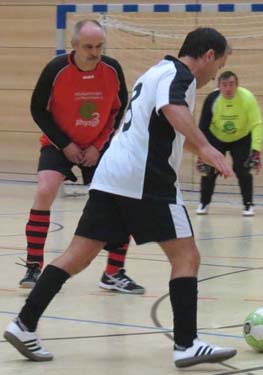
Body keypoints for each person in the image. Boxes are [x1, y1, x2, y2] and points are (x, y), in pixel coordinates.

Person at [3, 27, 237, 368]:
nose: (215, 74)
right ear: (209, 56)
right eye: (218, 65)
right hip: (146, 178)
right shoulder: (180, 75)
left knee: (76, 256)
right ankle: (187, 344)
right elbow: (173, 108)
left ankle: (23, 324)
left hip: (111, 174)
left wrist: (194, 148)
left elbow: (160, 124)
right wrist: (204, 145)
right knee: (187, 256)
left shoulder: (156, 71)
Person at [20, 20, 145, 295]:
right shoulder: (56, 69)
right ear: (74, 46)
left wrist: (98, 146)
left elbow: (118, 109)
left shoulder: (112, 69)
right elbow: (38, 110)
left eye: (99, 46)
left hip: (97, 146)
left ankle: (113, 273)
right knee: (45, 190)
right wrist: (65, 145)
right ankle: (33, 266)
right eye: (88, 46)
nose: (95, 52)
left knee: (122, 200)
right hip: (59, 144)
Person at [195, 71, 263, 216]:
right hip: (216, 136)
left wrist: (256, 150)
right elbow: (202, 126)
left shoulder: (247, 98)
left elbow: (257, 124)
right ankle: (204, 203)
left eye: (231, 84)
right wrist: (201, 152)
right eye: (224, 85)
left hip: (242, 137)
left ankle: (248, 205)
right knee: (209, 170)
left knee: (243, 170)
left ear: (237, 85)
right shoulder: (212, 99)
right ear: (218, 86)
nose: (228, 88)